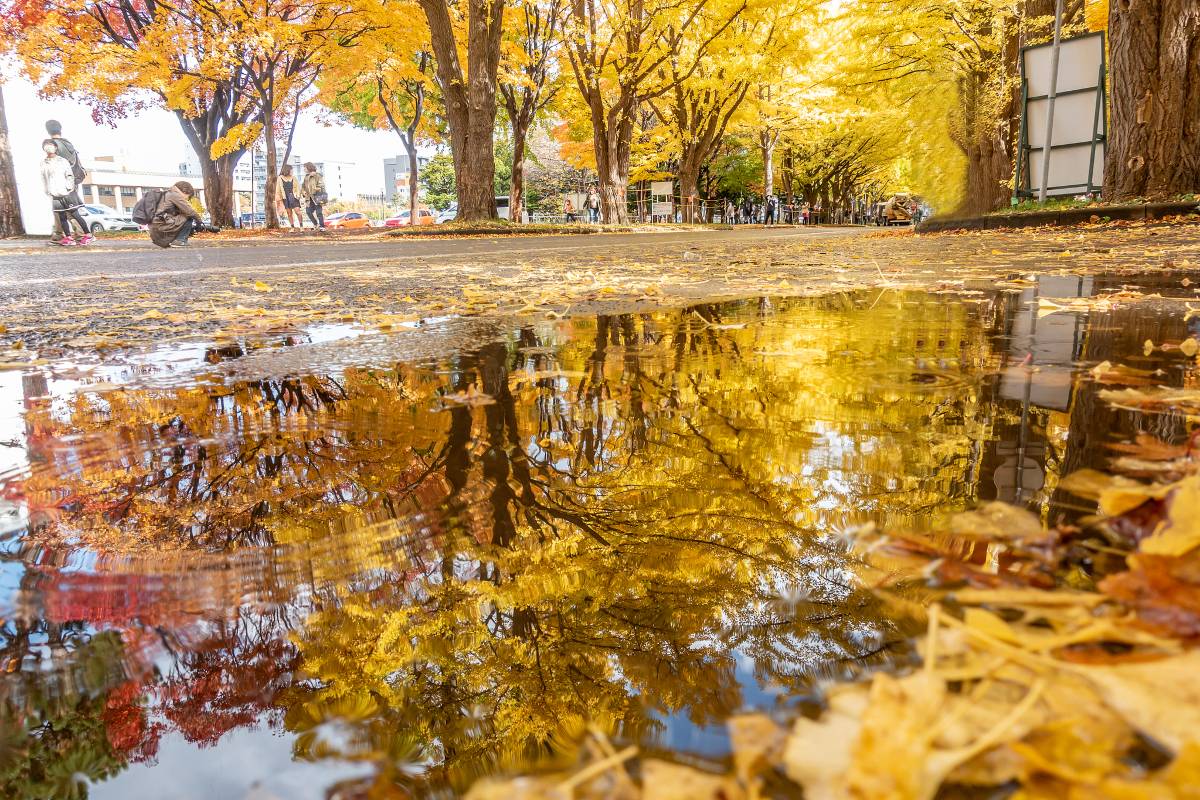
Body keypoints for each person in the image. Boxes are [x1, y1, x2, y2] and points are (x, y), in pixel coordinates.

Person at [44, 120, 91, 241]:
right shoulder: (69, 144)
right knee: (67, 209)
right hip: (73, 181)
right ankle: (68, 234)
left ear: (48, 130)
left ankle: (73, 235)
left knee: (64, 210)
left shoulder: (53, 145)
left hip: (61, 183)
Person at [148, 181, 203, 248]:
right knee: (189, 216)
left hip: (155, 229)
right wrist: (199, 222)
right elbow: (190, 212)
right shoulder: (175, 195)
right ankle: (180, 241)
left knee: (182, 216)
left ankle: (173, 240)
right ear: (185, 192)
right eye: (188, 197)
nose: (187, 200)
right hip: (161, 225)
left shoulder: (166, 193)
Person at [300, 162, 326, 230]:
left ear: (309, 167)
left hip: (317, 196)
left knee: (319, 212)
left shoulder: (317, 175)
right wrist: (303, 192)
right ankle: (316, 224)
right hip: (309, 198)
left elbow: (321, 185)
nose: (304, 169)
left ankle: (322, 226)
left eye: (305, 168)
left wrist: (316, 189)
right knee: (308, 212)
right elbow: (303, 187)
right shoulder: (306, 177)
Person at [276, 164, 303, 228]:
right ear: (287, 170)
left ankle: (301, 226)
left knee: (298, 212)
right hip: (285, 198)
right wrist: (279, 199)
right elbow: (278, 189)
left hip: (294, 197)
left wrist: (298, 195)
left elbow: (298, 188)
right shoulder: (280, 178)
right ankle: (292, 227)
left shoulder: (294, 178)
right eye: (291, 170)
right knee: (289, 213)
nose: (292, 171)